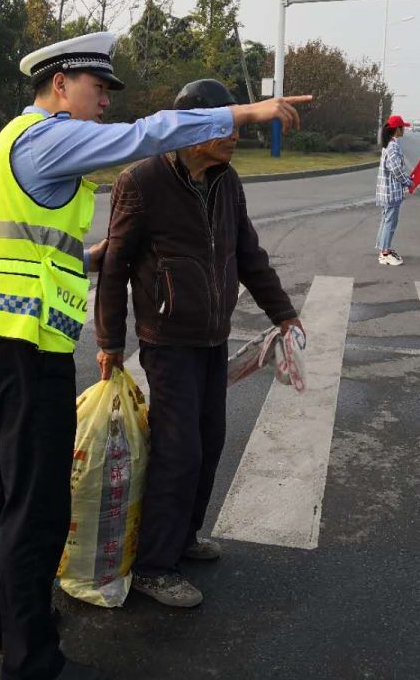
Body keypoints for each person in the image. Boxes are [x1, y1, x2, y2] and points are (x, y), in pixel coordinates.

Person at [0, 32, 311, 680]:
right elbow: (144, 137)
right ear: (61, 83)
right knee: (34, 511)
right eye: (97, 91)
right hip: (25, 348)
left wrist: (93, 259)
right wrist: (244, 113)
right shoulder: (47, 136)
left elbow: (33, 247)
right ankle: (31, 660)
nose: (102, 106)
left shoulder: (7, 143)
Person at [93, 78, 303, 608]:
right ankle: (155, 566)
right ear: (190, 131)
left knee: (208, 445)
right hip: (166, 341)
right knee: (177, 452)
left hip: (213, 337)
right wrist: (109, 342)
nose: (233, 134)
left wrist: (283, 313)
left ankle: (183, 538)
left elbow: (248, 253)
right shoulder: (141, 181)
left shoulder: (227, 182)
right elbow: (115, 266)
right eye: (223, 125)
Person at [376, 115, 415, 265]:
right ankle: (385, 253)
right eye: (403, 127)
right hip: (391, 192)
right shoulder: (393, 146)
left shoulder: (390, 144)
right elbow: (396, 170)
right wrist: (408, 182)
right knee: (390, 222)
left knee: (386, 220)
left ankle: (383, 250)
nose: (404, 129)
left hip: (387, 191)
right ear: (397, 129)